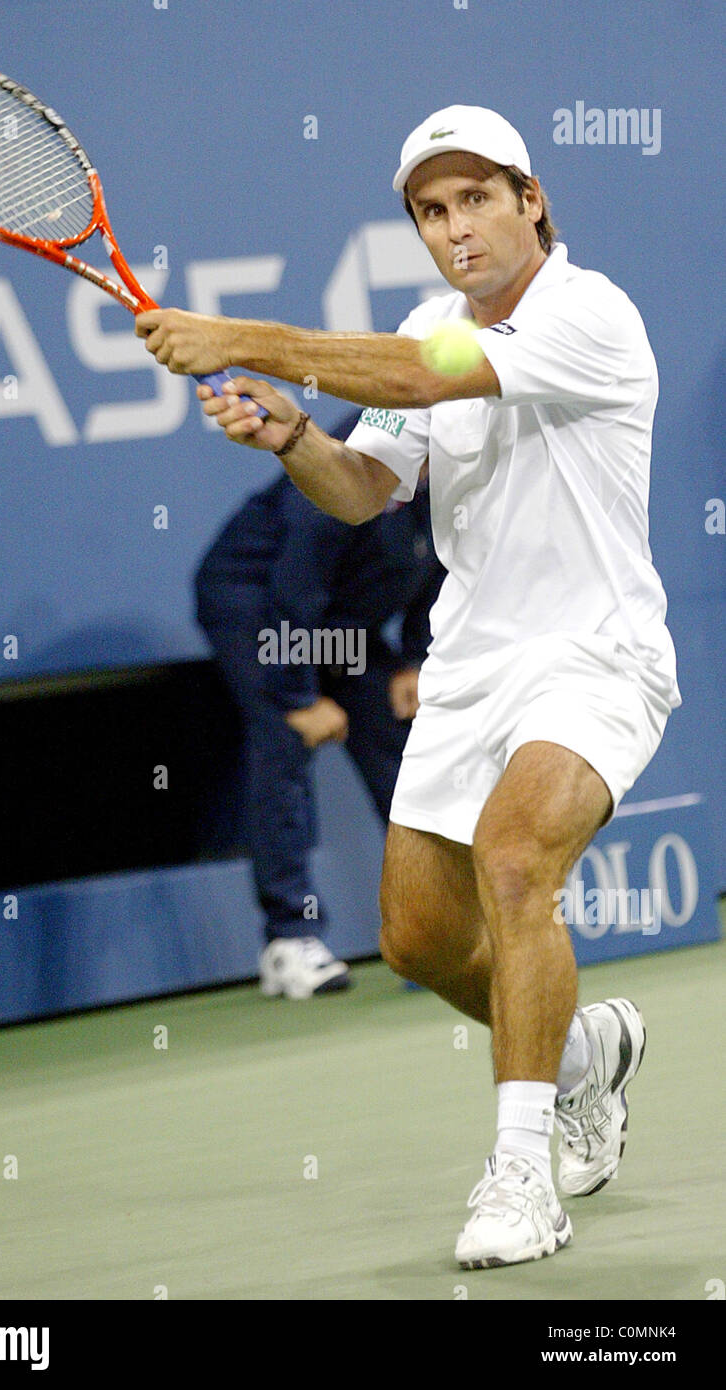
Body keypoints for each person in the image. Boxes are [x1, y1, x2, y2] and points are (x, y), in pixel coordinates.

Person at [136, 105, 680, 1269]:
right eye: (432, 211)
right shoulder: (431, 324)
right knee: (419, 939)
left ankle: (524, 1175)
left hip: (595, 657)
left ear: (531, 199)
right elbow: (365, 488)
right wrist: (292, 436)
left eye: (477, 197)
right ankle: (583, 1052)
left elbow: (429, 378)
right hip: (472, 668)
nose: (456, 227)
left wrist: (233, 335)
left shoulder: (589, 312)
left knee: (518, 858)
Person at [195, 412, 445, 999]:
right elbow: (293, 588)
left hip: (339, 620)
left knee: (403, 745)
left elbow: (443, 561)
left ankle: (434, 926)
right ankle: (289, 940)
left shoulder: (451, 468)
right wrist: (298, 698)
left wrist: (414, 657)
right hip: (257, 605)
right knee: (284, 739)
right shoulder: (345, 463)